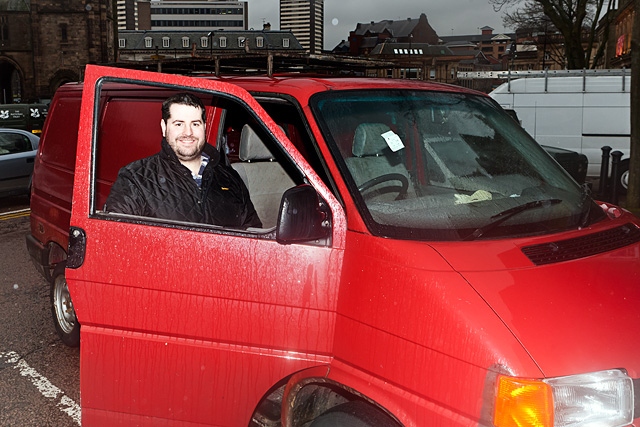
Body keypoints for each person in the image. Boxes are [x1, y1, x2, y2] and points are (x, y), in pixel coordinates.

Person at [105, 92, 262, 228]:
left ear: (204, 127)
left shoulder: (229, 178)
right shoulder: (136, 178)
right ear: (164, 127)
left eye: (195, 124)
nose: (188, 132)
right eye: (179, 124)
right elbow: (116, 240)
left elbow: (253, 234)